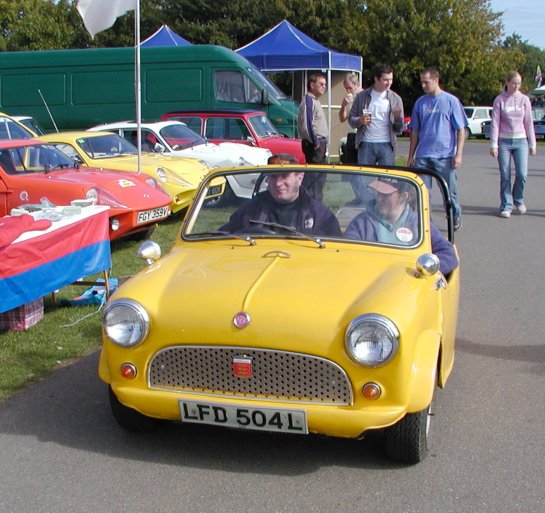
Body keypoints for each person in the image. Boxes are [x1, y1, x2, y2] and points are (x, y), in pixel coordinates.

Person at [345, 177, 458, 276]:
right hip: (370, 278)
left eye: (386, 195)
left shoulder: (418, 224)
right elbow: (346, 252)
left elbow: (448, 253)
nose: (379, 199)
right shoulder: (362, 222)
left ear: (403, 197)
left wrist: (426, 269)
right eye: (378, 193)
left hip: (409, 282)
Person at [407, 67, 467, 231]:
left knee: (449, 191)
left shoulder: (450, 101)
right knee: (423, 193)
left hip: (445, 156)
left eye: (426, 82)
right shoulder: (420, 103)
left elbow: (460, 129)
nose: (423, 86)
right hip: (423, 156)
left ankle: (454, 216)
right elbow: (415, 131)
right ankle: (427, 224)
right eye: (421, 83)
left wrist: (458, 154)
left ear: (436, 80)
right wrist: (411, 155)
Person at [221, 164, 341, 237]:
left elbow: (335, 252)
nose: (278, 183)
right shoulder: (251, 210)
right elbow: (224, 238)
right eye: (273, 176)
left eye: (284, 176)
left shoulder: (320, 215)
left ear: (300, 177)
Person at [348, 64, 404, 204]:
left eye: (391, 79)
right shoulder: (362, 96)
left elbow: (399, 129)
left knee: (387, 181)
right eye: (385, 79)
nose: (389, 83)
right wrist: (360, 120)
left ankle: (384, 208)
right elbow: (351, 119)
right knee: (365, 180)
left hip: (386, 144)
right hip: (366, 144)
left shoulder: (395, 98)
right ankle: (368, 207)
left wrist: (398, 118)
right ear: (376, 79)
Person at [490, 70, 537, 218]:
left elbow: (528, 122)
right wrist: (494, 144)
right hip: (504, 141)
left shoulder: (524, 100)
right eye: (514, 83)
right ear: (507, 83)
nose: (516, 86)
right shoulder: (499, 100)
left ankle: (518, 199)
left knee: (522, 174)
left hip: (521, 140)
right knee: (505, 175)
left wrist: (532, 143)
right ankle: (506, 205)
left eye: (519, 84)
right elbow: (495, 123)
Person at [297, 73, 328, 199]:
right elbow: (308, 125)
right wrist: (316, 143)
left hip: (319, 144)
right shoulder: (309, 101)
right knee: (314, 178)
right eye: (321, 84)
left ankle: (315, 202)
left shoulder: (315, 101)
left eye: (325, 84)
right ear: (312, 85)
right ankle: (308, 201)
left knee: (320, 177)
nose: (324, 87)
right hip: (314, 145)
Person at [339, 73, 362, 165]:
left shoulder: (364, 96)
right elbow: (342, 118)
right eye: (346, 88)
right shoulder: (349, 98)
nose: (348, 91)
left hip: (361, 135)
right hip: (351, 135)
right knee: (350, 164)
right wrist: (343, 106)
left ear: (357, 85)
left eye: (350, 88)